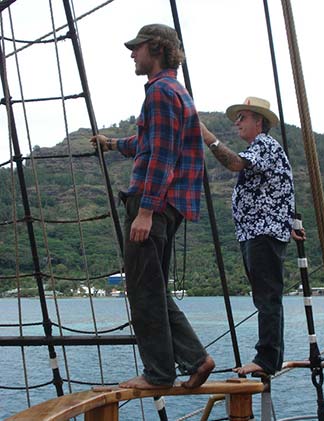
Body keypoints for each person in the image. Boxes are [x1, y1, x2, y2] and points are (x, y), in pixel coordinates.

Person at [90, 24, 214, 390]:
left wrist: (144, 211)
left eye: (137, 48)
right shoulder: (177, 92)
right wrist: (112, 144)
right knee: (153, 288)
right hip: (169, 206)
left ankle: (158, 373)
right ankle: (195, 358)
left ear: (156, 49)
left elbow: (160, 155)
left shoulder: (159, 93)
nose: (132, 53)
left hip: (152, 206)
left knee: (142, 290)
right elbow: (148, 142)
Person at [201, 97, 304, 376]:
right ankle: (267, 357)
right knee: (266, 296)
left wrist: (206, 135)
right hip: (257, 231)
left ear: (259, 121)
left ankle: (266, 360)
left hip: (263, 232)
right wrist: (292, 221)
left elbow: (234, 163)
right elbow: (283, 185)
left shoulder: (264, 146)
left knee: (268, 297)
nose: (237, 123)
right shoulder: (265, 150)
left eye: (242, 117)